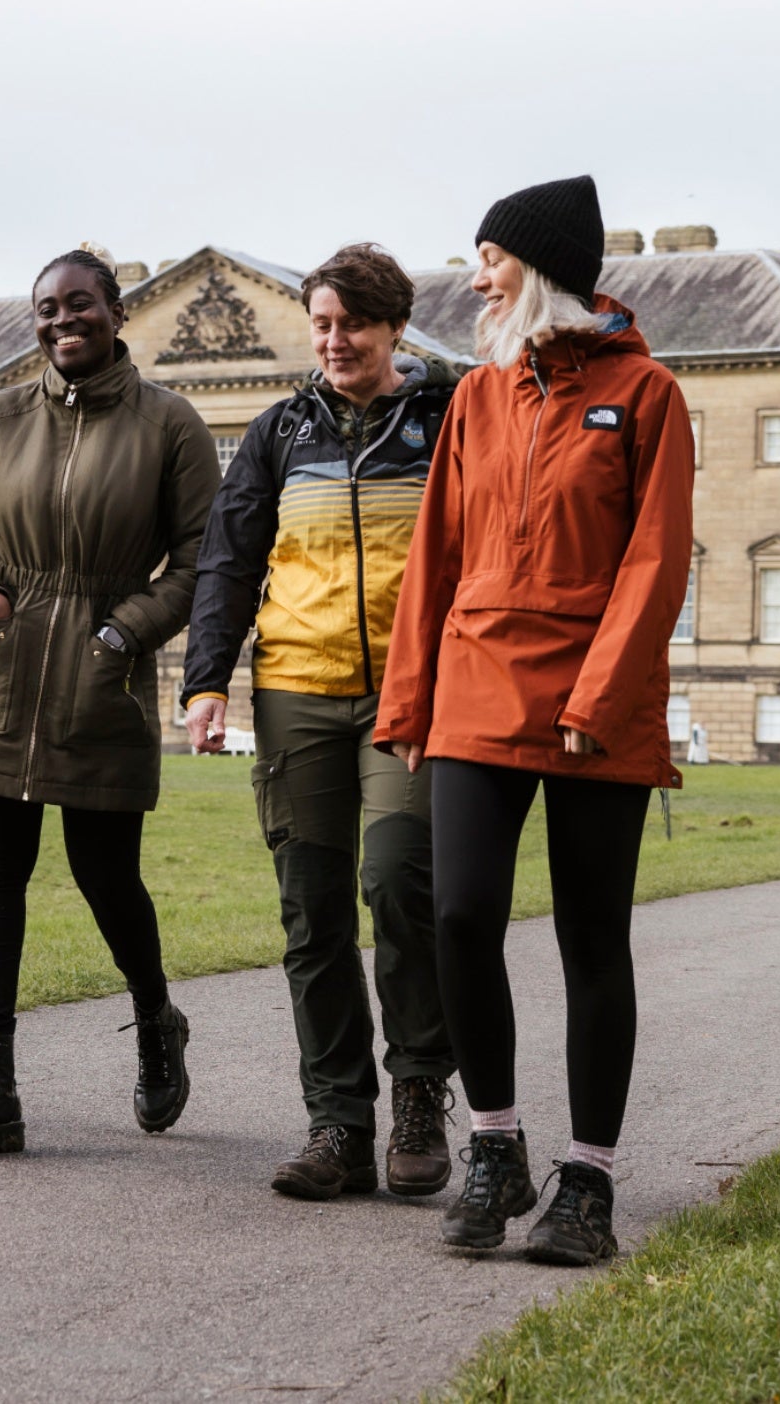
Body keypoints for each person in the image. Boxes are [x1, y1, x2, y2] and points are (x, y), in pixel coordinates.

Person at [376, 176, 692, 1265]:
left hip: (594, 704)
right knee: (459, 914)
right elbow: (437, 560)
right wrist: (409, 699)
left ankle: (590, 1181)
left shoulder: (647, 395)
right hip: (475, 685)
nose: (475, 279)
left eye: (492, 260)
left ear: (541, 270)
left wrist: (599, 697)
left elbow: (655, 564)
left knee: (590, 935)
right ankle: (498, 1147)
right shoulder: (475, 398)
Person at [0, 246, 222, 1159]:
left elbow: (203, 564)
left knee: (105, 876)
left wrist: (123, 633)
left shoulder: (172, 425)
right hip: (0, 675)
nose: (62, 320)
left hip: (103, 681)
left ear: (118, 313)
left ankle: (156, 1017)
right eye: (47, 308)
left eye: (80, 304)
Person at [183, 242, 460, 1202]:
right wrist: (206, 680)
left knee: (396, 885)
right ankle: (338, 1121)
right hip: (296, 690)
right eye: (322, 325)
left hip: (410, 697)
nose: (334, 341)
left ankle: (421, 1094)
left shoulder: (448, 416)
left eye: (352, 324)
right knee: (312, 916)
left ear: (393, 328)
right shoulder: (279, 431)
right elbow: (229, 557)